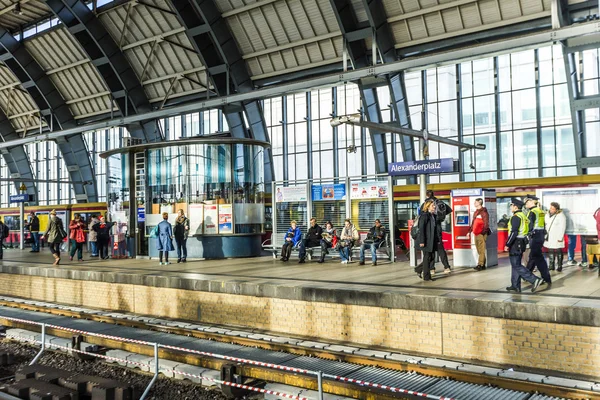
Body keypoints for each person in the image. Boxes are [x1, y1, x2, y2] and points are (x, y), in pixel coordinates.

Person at [505, 199, 543, 293]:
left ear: (515, 207)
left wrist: (507, 244)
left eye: (511, 205)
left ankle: (534, 280)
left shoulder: (516, 217)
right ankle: (515, 285)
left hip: (515, 243)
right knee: (515, 265)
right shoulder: (524, 216)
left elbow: (514, 232)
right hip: (521, 242)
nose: (510, 207)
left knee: (516, 265)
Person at [418, 190, 453, 274]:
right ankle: (447, 267)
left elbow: (422, 215)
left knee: (431, 249)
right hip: (438, 227)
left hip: (430, 229)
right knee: (441, 249)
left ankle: (432, 268)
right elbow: (449, 210)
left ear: (427, 195)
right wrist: (440, 217)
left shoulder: (426, 203)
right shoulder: (440, 202)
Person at [524, 195, 551, 285]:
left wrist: (526, 235)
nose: (526, 204)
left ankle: (545, 277)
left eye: (527, 202)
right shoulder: (540, 211)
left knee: (538, 257)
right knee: (533, 256)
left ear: (532, 202)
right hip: (541, 235)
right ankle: (526, 274)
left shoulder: (532, 212)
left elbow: (529, 226)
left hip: (534, 236)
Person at [415, 200, 438, 281]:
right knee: (427, 257)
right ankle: (426, 277)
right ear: (427, 207)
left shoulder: (433, 216)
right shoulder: (424, 216)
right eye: (432, 205)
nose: (434, 207)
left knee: (431, 257)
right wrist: (422, 241)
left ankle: (418, 269)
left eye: (434, 205)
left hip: (431, 240)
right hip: (426, 241)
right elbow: (422, 229)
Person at [467, 198, 490, 271]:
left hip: (480, 233)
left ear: (479, 203)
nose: (474, 203)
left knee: (481, 249)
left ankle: (480, 264)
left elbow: (486, 224)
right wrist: (469, 231)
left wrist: (482, 232)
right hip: (476, 232)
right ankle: (483, 264)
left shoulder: (484, 212)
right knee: (479, 249)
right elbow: (473, 223)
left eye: (475, 202)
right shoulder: (476, 212)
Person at [544, 202, 566, 272]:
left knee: (558, 250)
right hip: (549, 235)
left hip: (557, 235)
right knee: (550, 250)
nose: (551, 209)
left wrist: (560, 237)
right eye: (550, 208)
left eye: (553, 208)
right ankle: (551, 265)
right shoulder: (547, 214)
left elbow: (563, 227)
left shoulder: (561, 216)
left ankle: (559, 265)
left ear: (556, 209)